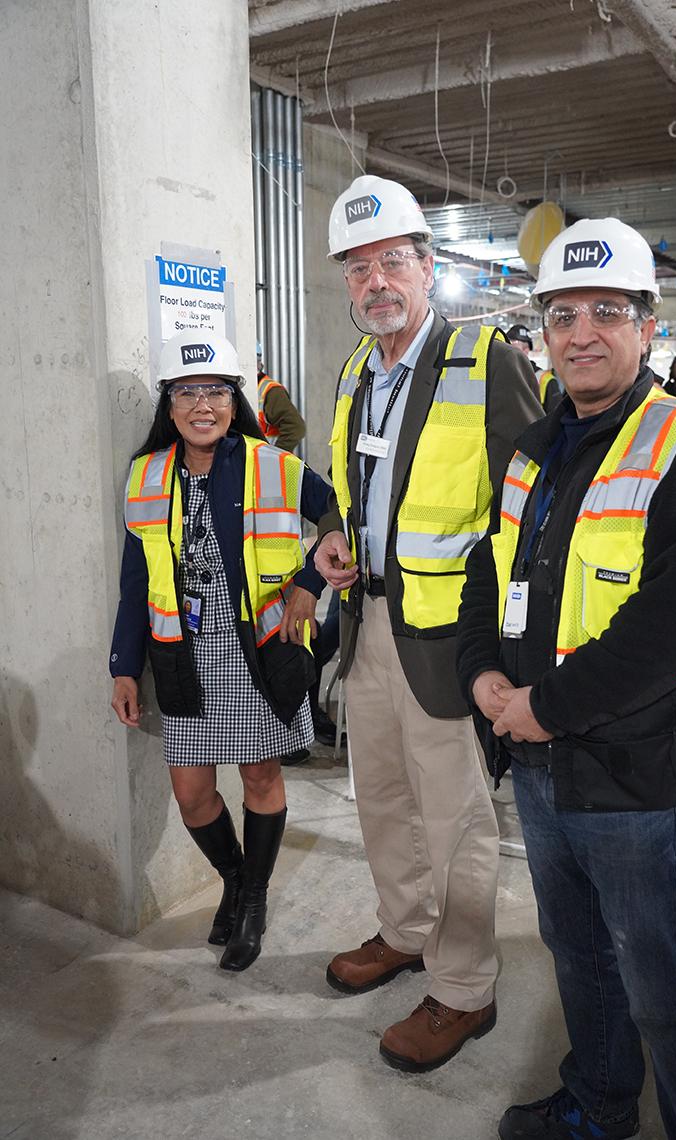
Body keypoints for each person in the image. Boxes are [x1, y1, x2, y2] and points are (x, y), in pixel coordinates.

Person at [456, 216, 676, 1139]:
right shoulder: (535, 448)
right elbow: (488, 571)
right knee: (577, 954)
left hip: (637, 775)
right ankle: (600, 1103)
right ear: (544, 330)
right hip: (539, 763)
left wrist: (544, 706)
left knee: (662, 984)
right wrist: (480, 675)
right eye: (563, 314)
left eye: (607, 312)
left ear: (648, 326)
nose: (582, 333)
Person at [314, 174, 543, 1073]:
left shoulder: (483, 361)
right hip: (366, 621)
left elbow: (529, 512)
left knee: (454, 821)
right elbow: (356, 488)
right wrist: (335, 538)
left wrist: (508, 649)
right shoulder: (354, 372)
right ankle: (406, 932)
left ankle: (464, 987)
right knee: (381, 800)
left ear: (427, 265)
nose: (375, 282)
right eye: (358, 267)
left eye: (392, 262)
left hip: (448, 639)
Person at [110, 332, 329, 972]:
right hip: (179, 653)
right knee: (192, 794)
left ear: (235, 401)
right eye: (186, 392)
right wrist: (124, 667)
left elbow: (337, 515)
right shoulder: (147, 474)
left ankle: (253, 900)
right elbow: (133, 583)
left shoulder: (272, 466)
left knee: (260, 777)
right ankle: (235, 879)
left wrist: (310, 583)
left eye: (215, 391)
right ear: (169, 404)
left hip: (255, 650)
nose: (201, 405)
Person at [256, 341, 306, 452]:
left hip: (264, 461)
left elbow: (296, 427)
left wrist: (275, 456)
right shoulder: (239, 390)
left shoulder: (271, 391)